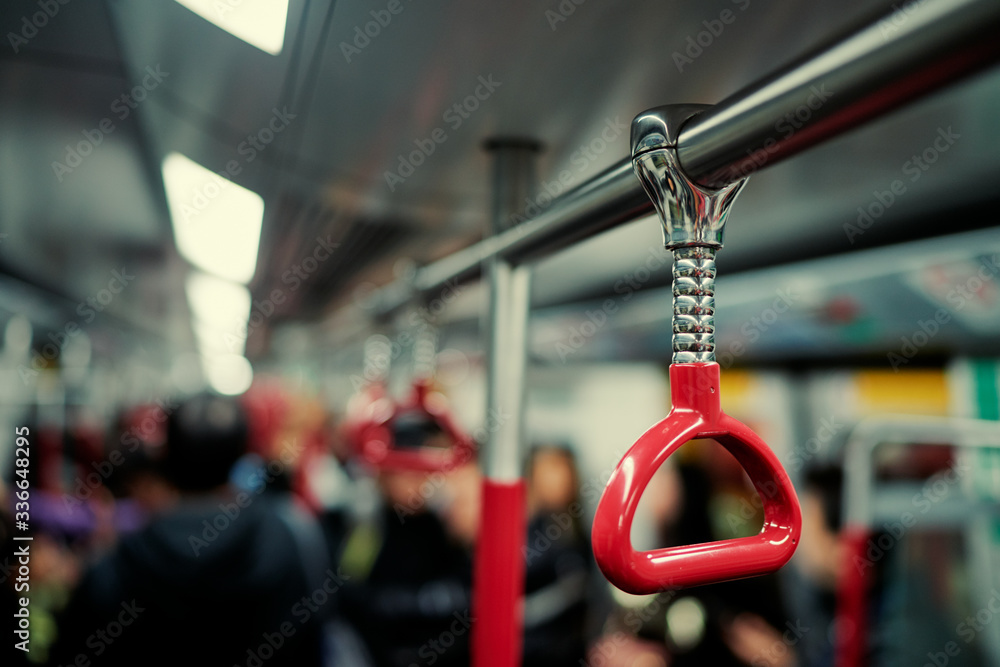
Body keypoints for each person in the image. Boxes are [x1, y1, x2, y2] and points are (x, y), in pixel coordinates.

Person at [50, 393, 332, 667]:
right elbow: (311, 643)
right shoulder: (287, 543)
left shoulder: (119, 562)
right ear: (245, 454)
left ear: (165, 454)